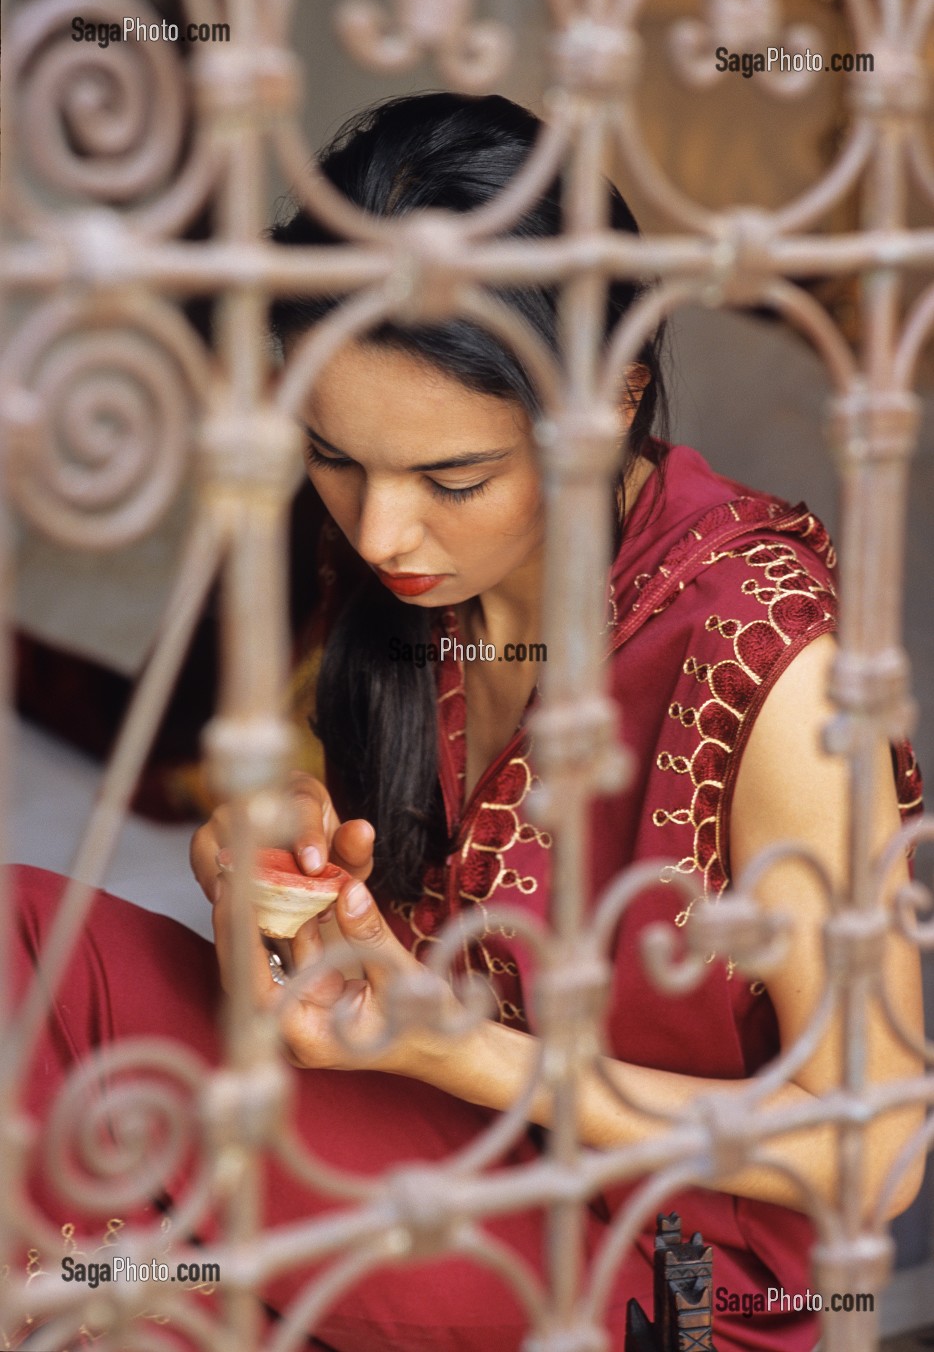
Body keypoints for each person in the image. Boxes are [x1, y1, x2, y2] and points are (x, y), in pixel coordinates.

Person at [13, 92, 924, 1352]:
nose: (381, 529)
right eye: (335, 457)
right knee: (22, 949)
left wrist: (467, 1059)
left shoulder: (760, 659)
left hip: (661, 1269)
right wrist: (261, 859)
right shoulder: (414, 575)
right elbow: (369, 950)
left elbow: (874, 1148)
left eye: (453, 479)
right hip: (442, 1141)